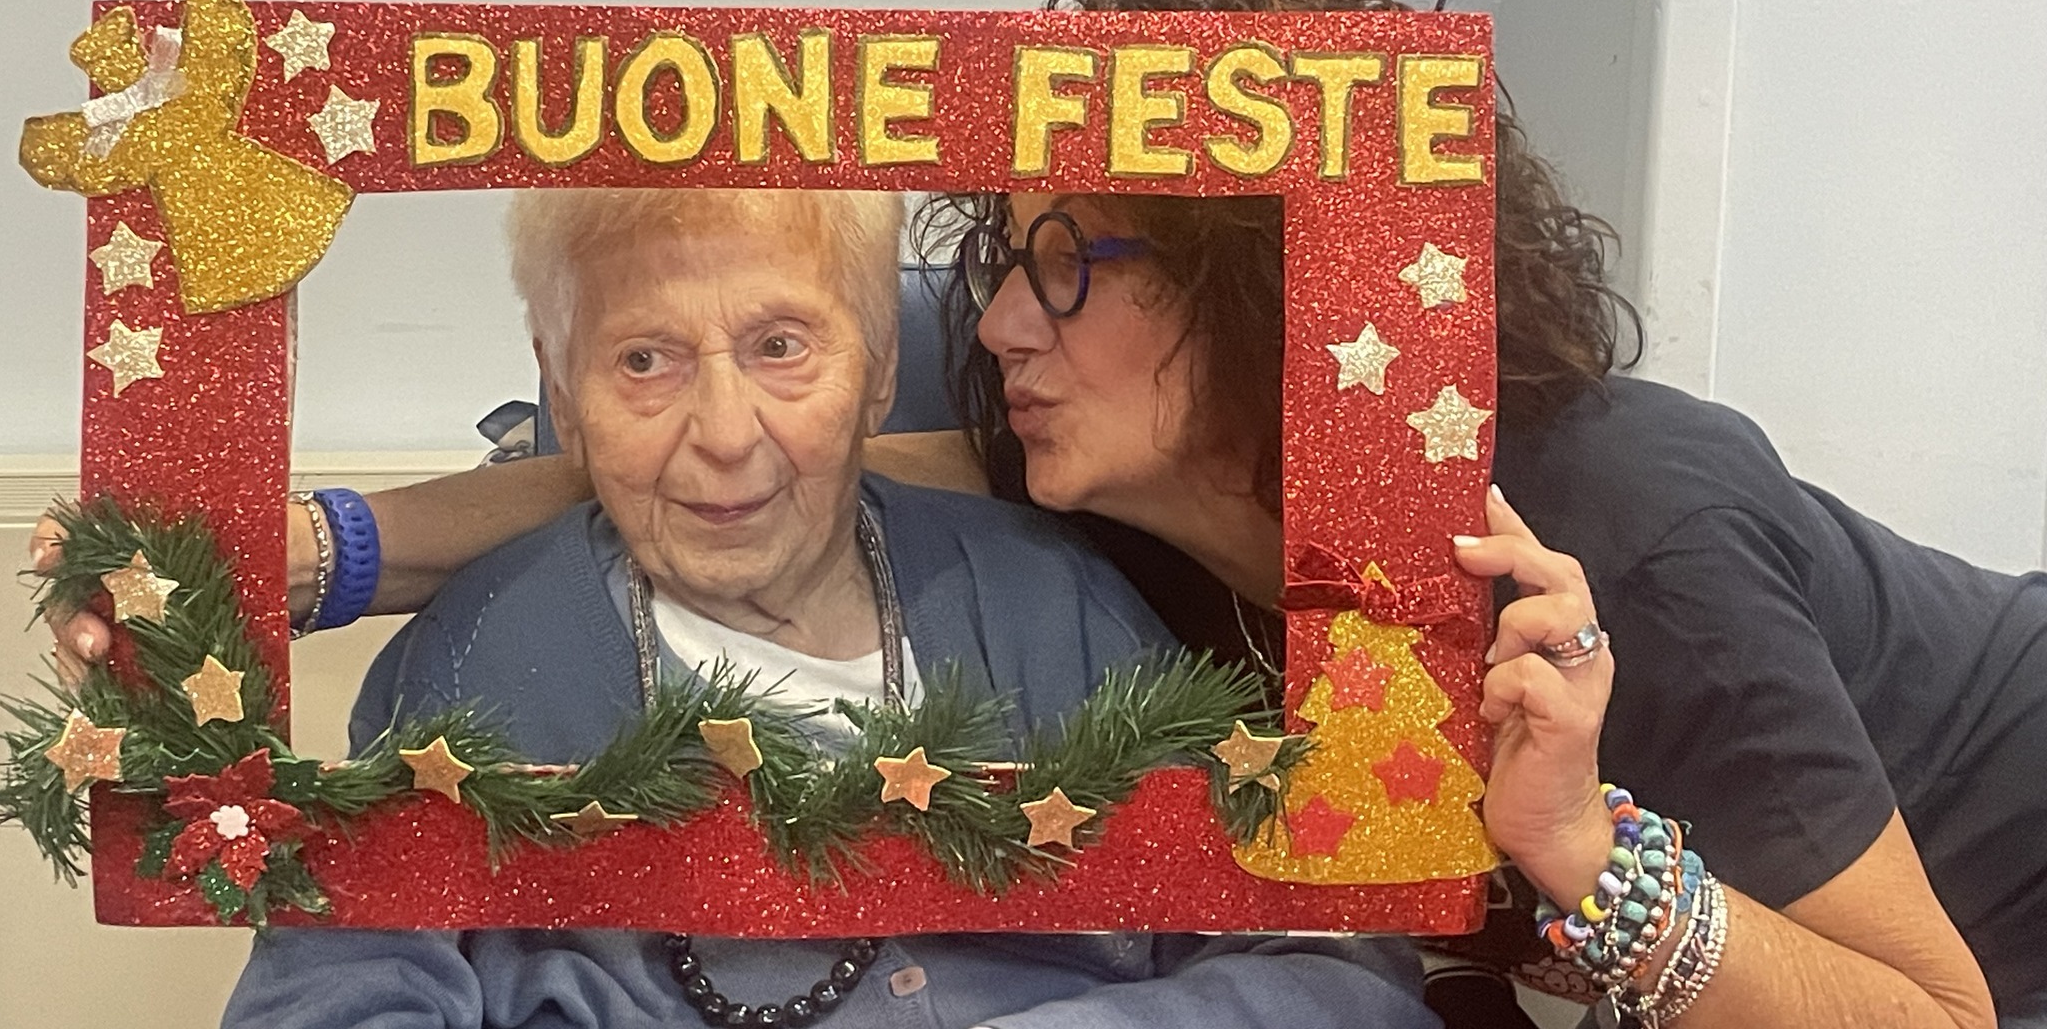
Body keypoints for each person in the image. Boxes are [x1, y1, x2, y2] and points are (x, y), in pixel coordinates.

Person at [40, 0, 2041, 1025]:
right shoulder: (1097, 492)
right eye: (1000, 255)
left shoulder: (1607, 541)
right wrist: (293, 553)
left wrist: (1587, 857)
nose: (996, 319)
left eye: (1068, 260)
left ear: (1267, 283)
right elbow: (716, 463)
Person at [219, 185, 1435, 1029]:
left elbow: (1329, 969)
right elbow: (331, 996)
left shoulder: (1053, 601)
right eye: (643, 359)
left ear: (879, 367)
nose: (724, 435)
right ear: (562, 386)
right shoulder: (479, 659)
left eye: (780, 347)